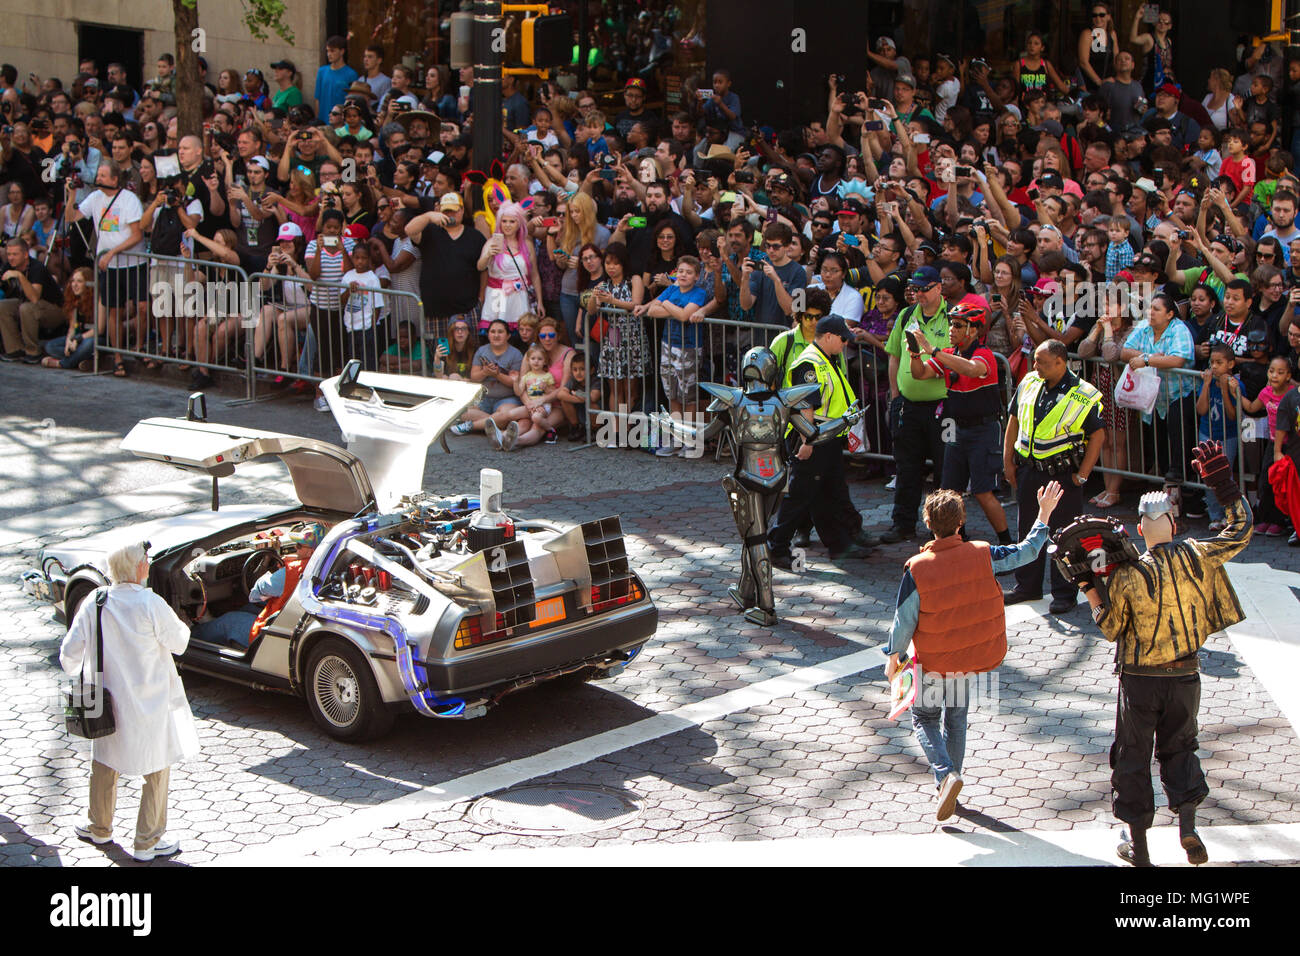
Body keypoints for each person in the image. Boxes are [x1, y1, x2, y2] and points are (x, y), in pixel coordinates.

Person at [1077, 444, 1252, 867]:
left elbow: (1111, 627)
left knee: (1131, 759)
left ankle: (1138, 847)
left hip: (1139, 681)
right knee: (1182, 748)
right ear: (1174, 522)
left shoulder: (1128, 573)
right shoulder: (1199, 554)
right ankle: (1188, 826)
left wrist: (1089, 589)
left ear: (1139, 529)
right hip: (1186, 677)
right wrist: (1224, 487)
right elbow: (1241, 530)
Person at [885, 480, 1064, 821]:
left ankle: (945, 775)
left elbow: (903, 619)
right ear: (961, 521)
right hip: (967, 658)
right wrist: (1043, 514)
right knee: (956, 718)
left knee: (924, 718)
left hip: (933, 660)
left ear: (927, 523)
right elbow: (1026, 551)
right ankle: (951, 784)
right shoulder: (983, 553)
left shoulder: (917, 568)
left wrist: (893, 657)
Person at [60, 541, 198, 862]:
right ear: (137, 567)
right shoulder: (150, 603)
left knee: (105, 764)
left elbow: (68, 656)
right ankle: (146, 843)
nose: (149, 564)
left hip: (105, 703)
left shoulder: (95, 601)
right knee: (156, 770)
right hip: (150, 704)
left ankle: (99, 827)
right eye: (146, 560)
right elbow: (179, 643)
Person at [1003, 339, 1106, 614]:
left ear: (1060, 362)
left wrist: (1082, 476)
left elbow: (1098, 435)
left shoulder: (1082, 394)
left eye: (1042, 363)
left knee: (1064, 535)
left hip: (1061, 475)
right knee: (1027, 529)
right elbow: (1013, 419)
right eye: (1035, 361)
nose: (1035, 366)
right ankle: (1027, 585)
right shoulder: (1029, 382)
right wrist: (1008, 462)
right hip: (1028, 470)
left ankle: (1065, 592)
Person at [768, 316, 875, 569]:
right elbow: (805, 405)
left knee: (830, 492)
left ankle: (839, 545)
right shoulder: (809, 363)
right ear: (828, 336)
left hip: (827, 436)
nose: (845, 343)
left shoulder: (826, 358)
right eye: (842, 338)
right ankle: (777, 547)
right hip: (814, 437)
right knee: (799, 495)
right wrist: (808, 442)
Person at [908, 302, 1012, 543]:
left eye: (958, 325)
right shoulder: (948, 353)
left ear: (973, 330)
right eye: (951, 324)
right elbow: (920, 373)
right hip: (954, 428)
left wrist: (933, 351)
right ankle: (957, 540)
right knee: (949, 490)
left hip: (983, 428)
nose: (951, 329)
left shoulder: (983, 354)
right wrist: (915, 354)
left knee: (983, 491)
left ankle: (1007, 543)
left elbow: (972, 369)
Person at [880, 267, 950, 543]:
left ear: (938, 288)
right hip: (908, 405)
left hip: (942, 407)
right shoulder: (907, 315)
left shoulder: (952, 316)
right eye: (914, 289)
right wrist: (896, 395)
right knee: (907, 467)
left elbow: (951, 358)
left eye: (923, 289)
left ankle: (946, 528)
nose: (918, 294)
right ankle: (903, 524)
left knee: (945, 470)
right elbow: (894, 355)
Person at [192, 525, 323, 649]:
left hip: (275, 632)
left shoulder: (294, 572)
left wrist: (273, 571)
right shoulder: (326, 567)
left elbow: (258, 590)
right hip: (296, 621)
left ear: (311, 552)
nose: (295, 548)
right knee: (248, 608)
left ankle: (190, 635)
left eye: (299, 546)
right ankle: (208, 624)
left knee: (229, 621)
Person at [0, 236, 64, 363]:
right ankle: (15, 349)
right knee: (2, 306)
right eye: (8, 254)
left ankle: (33, 351)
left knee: (27, 308)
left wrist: (19, 276)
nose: (11, 257)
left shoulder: (36, 268)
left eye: (15, 254)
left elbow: (34, 297)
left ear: (25, 254)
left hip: (55, 310)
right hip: (31, 305)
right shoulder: (9, 266)